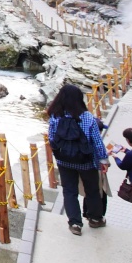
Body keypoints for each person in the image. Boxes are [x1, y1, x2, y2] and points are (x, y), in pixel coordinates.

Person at [47, 83, 107, 235]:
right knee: (92, 190)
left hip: (64, 160)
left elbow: (52, 138)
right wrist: (103, 160)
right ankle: (95, 219)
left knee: (69, 191)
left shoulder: (55, 116)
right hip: (85, 160)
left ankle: (75, 223)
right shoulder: (87, 117)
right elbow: (96, 141)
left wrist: (58, 152)